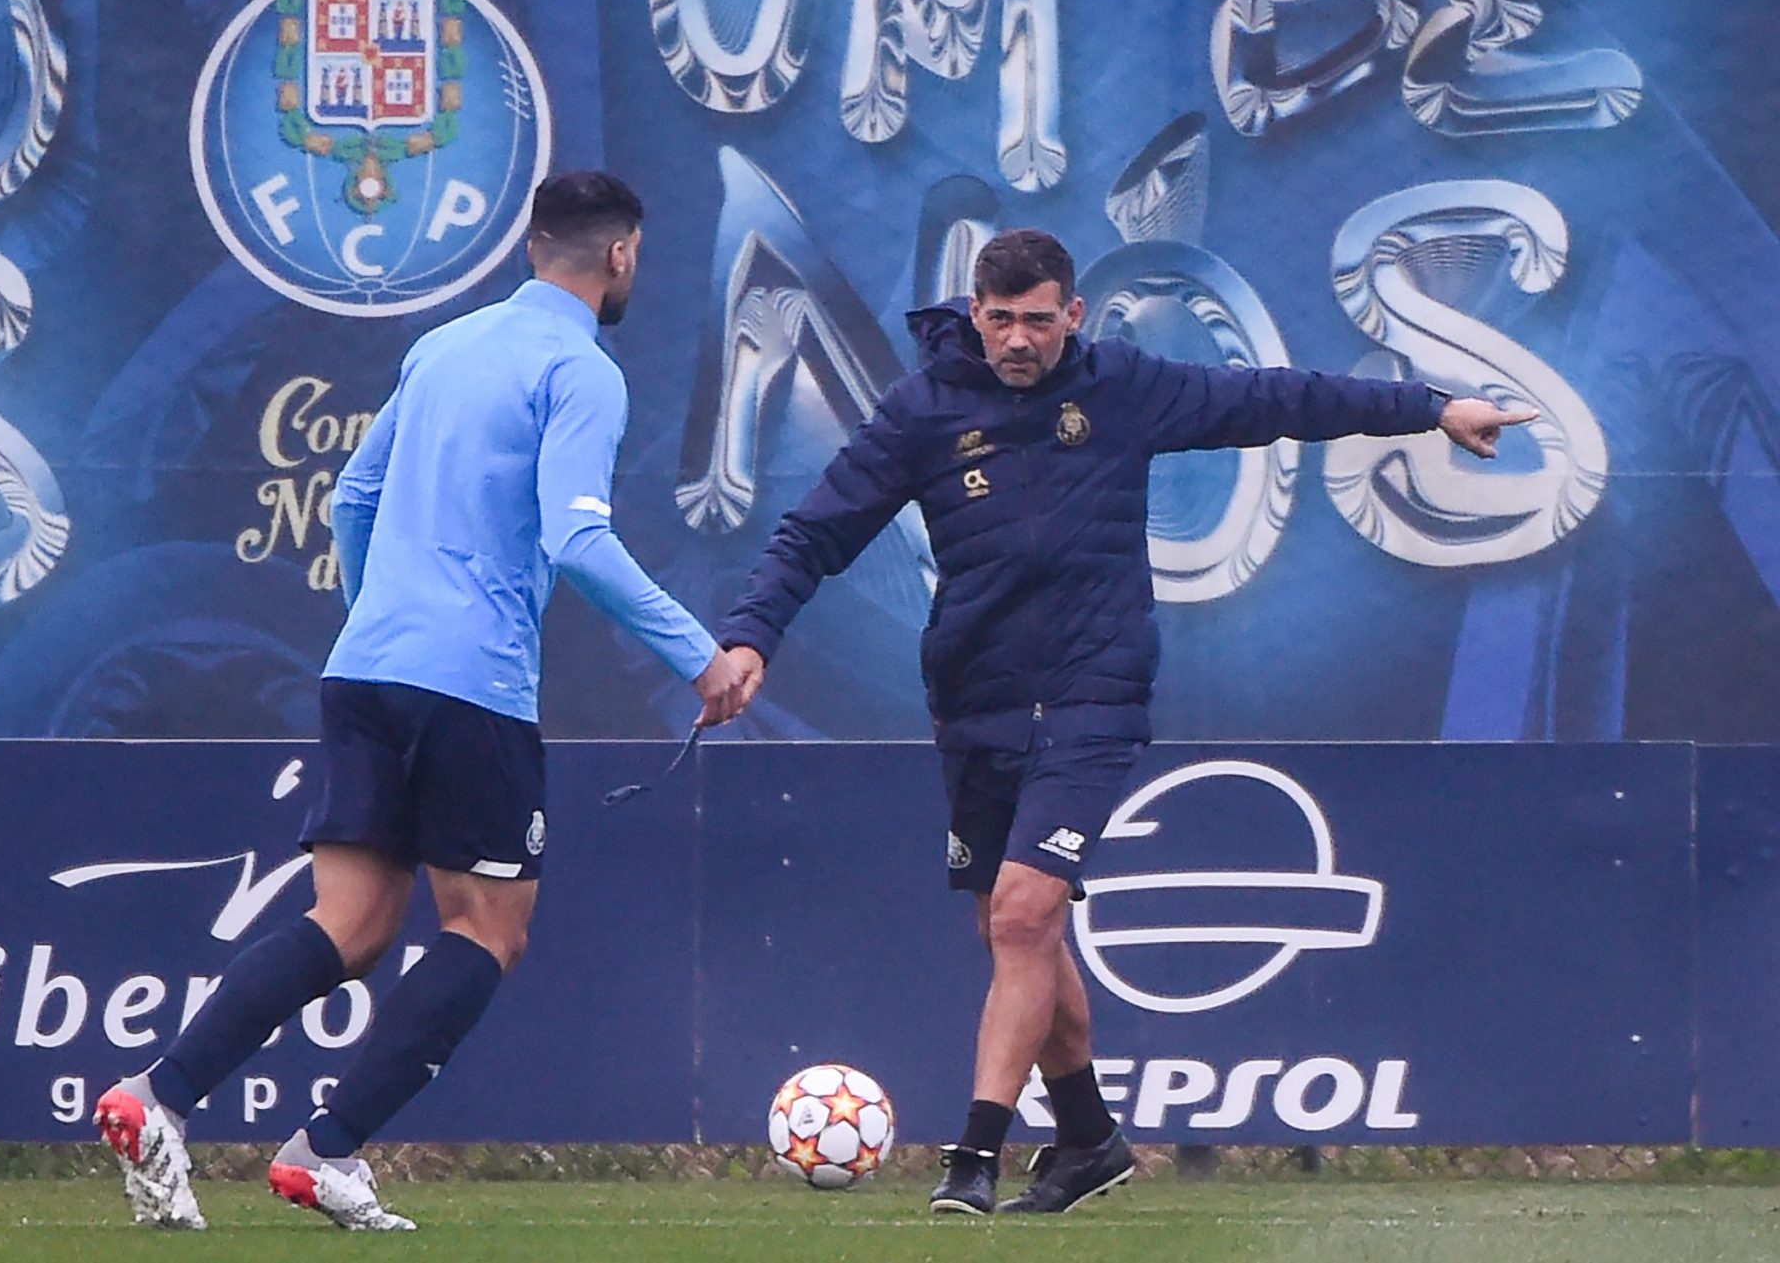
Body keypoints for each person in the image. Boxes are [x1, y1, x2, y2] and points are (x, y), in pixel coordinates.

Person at [717, 229, 1531, 1215]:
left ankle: (972, 1155)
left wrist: (1434, 407)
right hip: (975, 702)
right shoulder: (924, 410)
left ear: (1075, 315)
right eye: (1001, 319)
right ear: (977, 314)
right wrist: (754, 635)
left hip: (1094, 694)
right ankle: (1091, 1138)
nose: (1019, 339)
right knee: (1013, 930)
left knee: (1024, 911)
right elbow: (815, 533)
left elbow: (1277, 400)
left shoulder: (1125, 387)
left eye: (1038, 319)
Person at [92, 171, 751, 1231]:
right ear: (622, 255)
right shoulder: (581, 368)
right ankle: (327, 1148)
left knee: (347, 923)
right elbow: (577, 536)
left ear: (531, 247)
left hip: (366, 667)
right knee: (490, 928)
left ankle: (157, 1094)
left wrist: (383, 613)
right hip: (470, 682)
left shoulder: (442, 345)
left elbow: (355, 493)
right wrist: (697, 654)